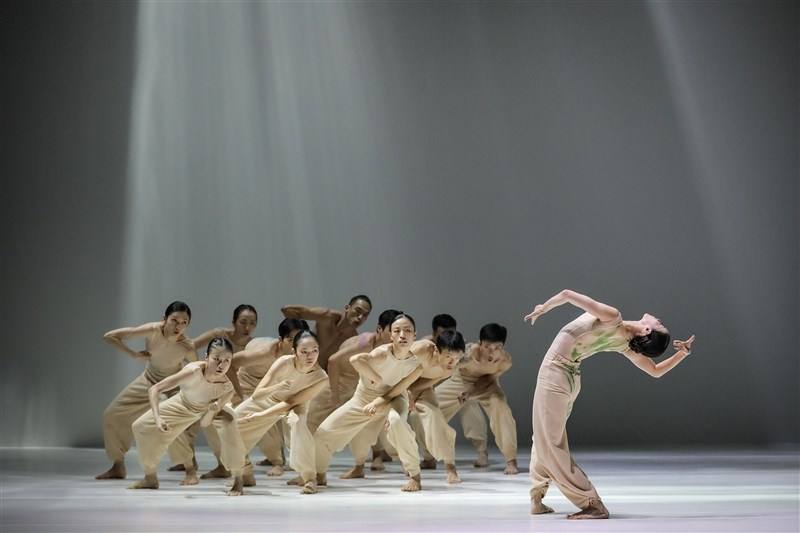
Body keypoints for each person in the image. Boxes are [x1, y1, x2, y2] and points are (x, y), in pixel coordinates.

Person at [524, 289, 695, 519]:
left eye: (659, 323)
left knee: (550, 444)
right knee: (543, 436)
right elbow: (654, 371)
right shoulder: (624, 343)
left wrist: (544, 307)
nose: (658, 319)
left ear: (647, 330)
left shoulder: (613, 317)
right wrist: (681, 355)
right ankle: (537, 497)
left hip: (556, 375)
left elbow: (567, 294)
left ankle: (591, 502)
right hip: (568, 377)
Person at [313, 314, 424, 492]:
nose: (403, 335)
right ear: (391, 336)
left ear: (415, 335)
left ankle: (415, 476)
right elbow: (355, 360)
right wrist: (377, 379)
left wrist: (379, 401)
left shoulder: (416, 365)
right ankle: (319, 473)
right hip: (363, 398)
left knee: (396, 421)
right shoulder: (381, 353)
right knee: (323, 432)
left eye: (408, 330)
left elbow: (396, 390)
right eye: (397, 331)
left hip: (394, 399)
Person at [219, 330, 328, 495]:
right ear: (294, 352)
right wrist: (277, 387)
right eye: (304, 352)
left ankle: (309, 478)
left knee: (297, 423)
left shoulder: (321, 377)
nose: (310, 356)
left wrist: (261, 416)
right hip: (270, 399)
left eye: (314, 350)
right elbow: (258, 394)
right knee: (231, 424)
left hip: (295, 406)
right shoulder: (284, 362)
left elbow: (291, 402)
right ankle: (244, 473)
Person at [95, 301, 196, 480]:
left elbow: (196, 370)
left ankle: (190, 469)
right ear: (164, 319)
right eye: (174, 320)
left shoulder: (186, 346)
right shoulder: (153, 330)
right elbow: (110, 336)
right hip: (147, 380)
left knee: (169, 421)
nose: (178, 326)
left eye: (184, 322)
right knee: (111, 415)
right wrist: (133, 354)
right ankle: (118, 466)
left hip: (169, 388)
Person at [201, 318, 308, 479]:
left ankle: (279, 462)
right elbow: (232, 363)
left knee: (290, 420)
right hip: (247, 382)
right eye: (291, 340)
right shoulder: (265, 353)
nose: (295, 345)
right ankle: (228, 466)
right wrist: (238, 392)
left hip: (274, 386)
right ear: (281, 340)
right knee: (226, 422)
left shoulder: (304, 353)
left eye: (299, 340)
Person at [128, 337, 235, 489]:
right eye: (216, 359)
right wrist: (158, 419)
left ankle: (190, 471)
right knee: (139, 426)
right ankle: (150, 476)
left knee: (174, 433)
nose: (221, 365)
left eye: (227, 360)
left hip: (196, 413)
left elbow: (205, 423)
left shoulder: (227, 389)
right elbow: (155, 389)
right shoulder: (193, 371)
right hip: (178, 403)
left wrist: (213, 410)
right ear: (206, 357)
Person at [307, 309, 401, 470]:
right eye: (395, 331)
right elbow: (333, 361)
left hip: (362, 385)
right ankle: (308, 467)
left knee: (375, 418)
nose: (399, 335)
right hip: (338, 382)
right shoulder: (365, 343)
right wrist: (335, 394)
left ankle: (375, 457)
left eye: (403, 330)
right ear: (380, 329)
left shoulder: (394, 346)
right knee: (312, 423)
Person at [179, 305, 257, 477]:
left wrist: (242, 394)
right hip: (210, 388)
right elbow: (190, 346)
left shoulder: (252, 345)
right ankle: (192, 462)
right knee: (193, 425)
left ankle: (241, 469)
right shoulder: (219, 335)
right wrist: (196, 367)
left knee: (229, 426)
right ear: (234, 321)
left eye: (252, 323)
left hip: (235, 391)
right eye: (243, 322)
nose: (247, 327)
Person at [434, 323, 520, 474]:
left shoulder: (505, 361)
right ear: (480, 343)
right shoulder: (468, 354)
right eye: (487, 346)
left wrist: (471, 393)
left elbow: (489, 380)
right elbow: (444, 366)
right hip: (460, 381)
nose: (492, 352)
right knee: (429, 407)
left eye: (497, 347)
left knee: (501, 409)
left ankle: (511, 460)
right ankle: (428, 456)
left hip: (487, 386)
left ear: (503, 346)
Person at [406, 330, 465, 483]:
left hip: (419, 388)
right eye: (448, 357)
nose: (452, 362)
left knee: (434, 418)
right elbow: (398, 368)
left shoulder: (449, 369)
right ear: (437, 350)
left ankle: (450, 467)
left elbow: (425, 383)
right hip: (394, 383)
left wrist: (412, 396)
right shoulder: (422, 349)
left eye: (457, 358)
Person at [280, 295, 372, 370]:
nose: (360, 317)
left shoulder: (353, 340)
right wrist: (287, 310)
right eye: (358, 310)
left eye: (365, 315)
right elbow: (296, 311)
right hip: (298, 366)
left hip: (318, 378)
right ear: (347, 308)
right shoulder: (327, 317)